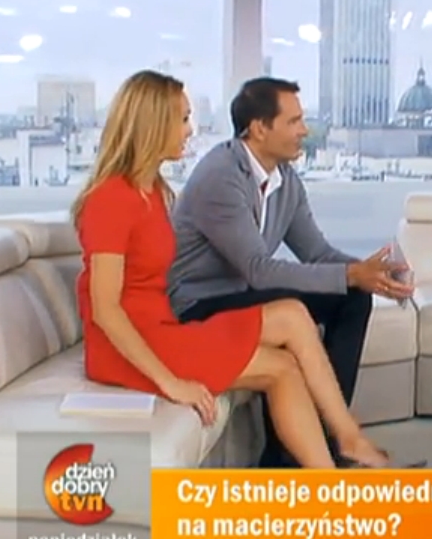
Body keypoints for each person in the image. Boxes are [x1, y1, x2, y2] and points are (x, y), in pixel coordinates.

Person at [72, 69, 390, 469]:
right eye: (183, 119)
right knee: (289, 331)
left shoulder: (152, 191)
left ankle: (334, 465)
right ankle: (344, 449)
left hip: (160, 328)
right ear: (153, 124)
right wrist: (171, 383)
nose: (191, 130)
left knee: (286, 356)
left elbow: (314, 250)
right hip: (133, 344)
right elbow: (106, 310)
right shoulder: (111, 198)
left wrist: (365, 272)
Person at [168, 77, 415, 469]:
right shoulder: (221, 175)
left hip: (240, 294)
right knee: (307, 302)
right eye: (294, 121)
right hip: (199, 305)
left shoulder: (285, 180)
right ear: (259, 128)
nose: (305, 130)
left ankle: (318, 447)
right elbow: (258, 270)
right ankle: (326, 446)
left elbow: (316, 253)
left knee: (352, 298)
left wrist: (371, 275)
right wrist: (352, 273)